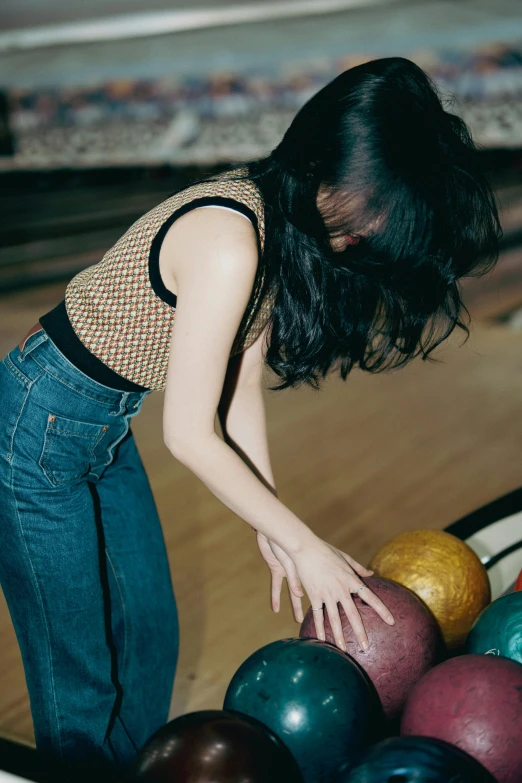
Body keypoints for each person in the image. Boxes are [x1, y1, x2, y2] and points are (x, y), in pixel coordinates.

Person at [0, 57, 500, 771]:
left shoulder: (272, 232)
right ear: (329, 168)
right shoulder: (231, 239)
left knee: (147, 630)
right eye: (374, 202)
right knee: (77, 667)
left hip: (95, 427)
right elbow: (189, 433)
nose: (374, 226)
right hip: (36, 424)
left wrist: (269, 518)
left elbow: (237, 399)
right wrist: (302, 546)